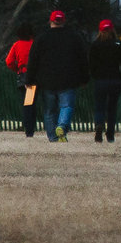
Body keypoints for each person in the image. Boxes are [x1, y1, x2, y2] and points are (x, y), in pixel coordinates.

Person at [28, 9, 91, 143]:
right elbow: (82, 59)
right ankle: (62, 125)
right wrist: (85, 77)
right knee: (66, 106)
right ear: (64, 21)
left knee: (49, 110)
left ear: (51, 21)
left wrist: (29, 78)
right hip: (68, 78)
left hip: (46, 79)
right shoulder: (74, 37)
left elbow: (33, 59)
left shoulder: (42, 37)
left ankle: (53, 137)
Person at [88, 18, 121, 143]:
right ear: (112, 29)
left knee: (99, 106)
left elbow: (91, 64)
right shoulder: (118, 45)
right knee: (112, 108)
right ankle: (110, 134)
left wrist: (92, 75)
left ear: (100, 30)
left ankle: (99, 124)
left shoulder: (95, 45)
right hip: (115, 79)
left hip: (100, 80)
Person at [4, 22, 38, 138]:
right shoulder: (34, 44)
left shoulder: (16, 45)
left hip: (23, 74)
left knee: (27, 103)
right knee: (34, 103)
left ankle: (29, 129)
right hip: (36, 75)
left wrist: (17, 69)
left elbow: (9, 62)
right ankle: (32, 126)